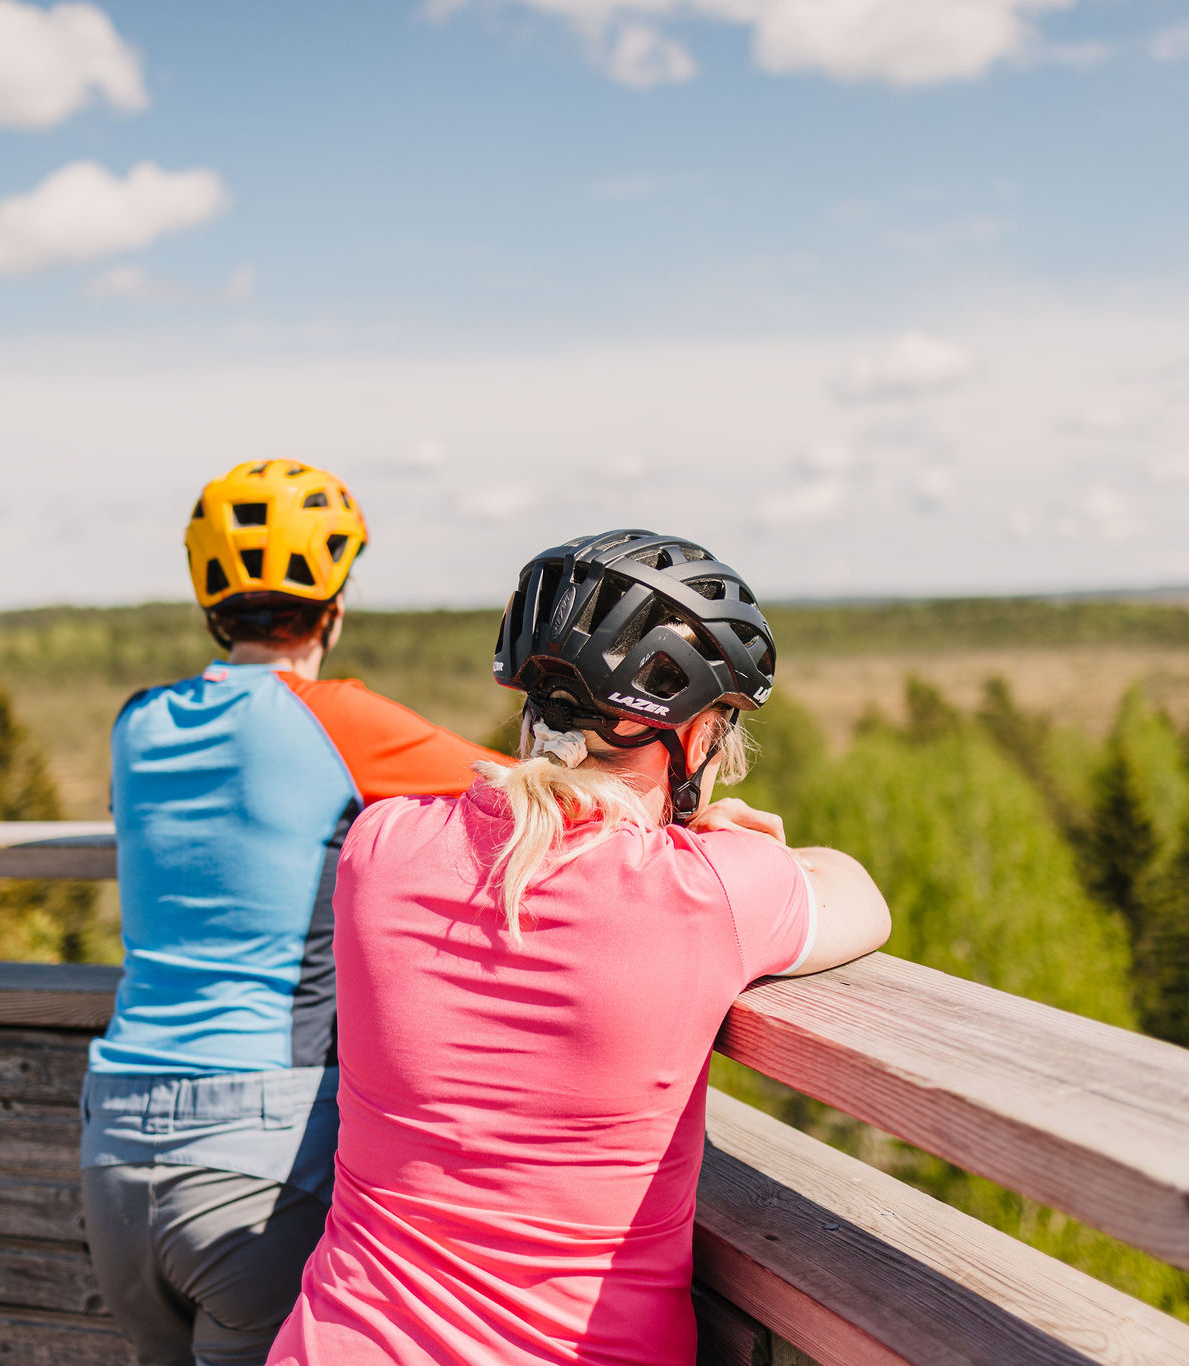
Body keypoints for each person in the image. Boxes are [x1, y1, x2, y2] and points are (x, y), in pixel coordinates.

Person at [271, 529, 891, 1365]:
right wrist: (739, 848)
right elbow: (861, 897)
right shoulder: (705, 892)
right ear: (696, 737)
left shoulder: (378, 849)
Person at [79, 460, 508, 1366]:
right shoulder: (337, 720)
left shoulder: (137, 724)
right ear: (334, 606)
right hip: (260, 1155)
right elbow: (537, 796)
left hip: (112, 1147)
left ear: (211, 607)